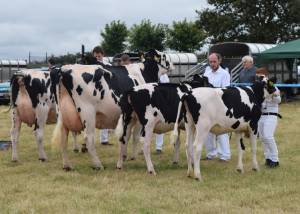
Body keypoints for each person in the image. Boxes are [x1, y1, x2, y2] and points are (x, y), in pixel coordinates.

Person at [203, 53, 231, 161]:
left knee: (221, 130)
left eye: (214, 61)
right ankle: (211, 153)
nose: (212, 64)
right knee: (208, 129)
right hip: (207, 105)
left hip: (220, 105)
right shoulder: (207, 72)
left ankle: (225, 155)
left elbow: (225, 90)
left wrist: (212, 89)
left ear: (219, 61)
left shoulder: (224, 74)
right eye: (210, 62)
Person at [256, 67, 281, 168]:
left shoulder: (271, 85)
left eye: (261, 76)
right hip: (261, 115)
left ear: (266, 76)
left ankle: (275, 159)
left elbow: (278, 100)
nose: (259, 78)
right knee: (263, 138)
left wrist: (271, 90)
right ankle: (268, 158)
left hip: (271, 114)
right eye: (257, 76)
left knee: (268, 136)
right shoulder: (258, 87)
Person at [92, 46, 112, 145]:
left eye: (99, 56)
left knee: (105, 114)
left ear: (103, 55)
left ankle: (104, 139)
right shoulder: (91, 66)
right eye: (95, 56)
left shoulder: (107, 65)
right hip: (93, 93)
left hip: (106, 93)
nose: (97, 58)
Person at [155, 72, 170, 154]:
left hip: (160, 101)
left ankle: (159, 147)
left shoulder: (164, 75)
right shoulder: (146, 71)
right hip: (148, 101)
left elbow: (166, 87)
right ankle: (143, 147)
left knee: (160, 124)